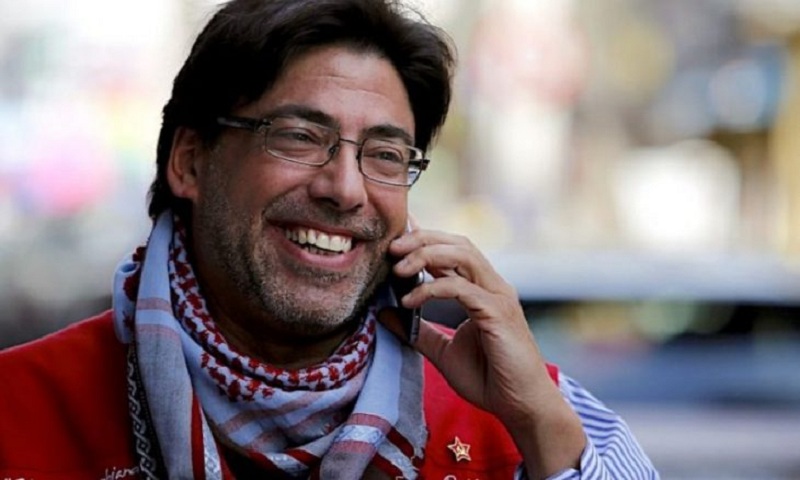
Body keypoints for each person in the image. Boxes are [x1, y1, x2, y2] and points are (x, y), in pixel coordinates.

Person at [0, 0, 658, 478]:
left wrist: (540, 424)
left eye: (385, 155)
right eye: (299, 137)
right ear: (191, 162)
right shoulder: (20, 406)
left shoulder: (521, 414)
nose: (345, 189)